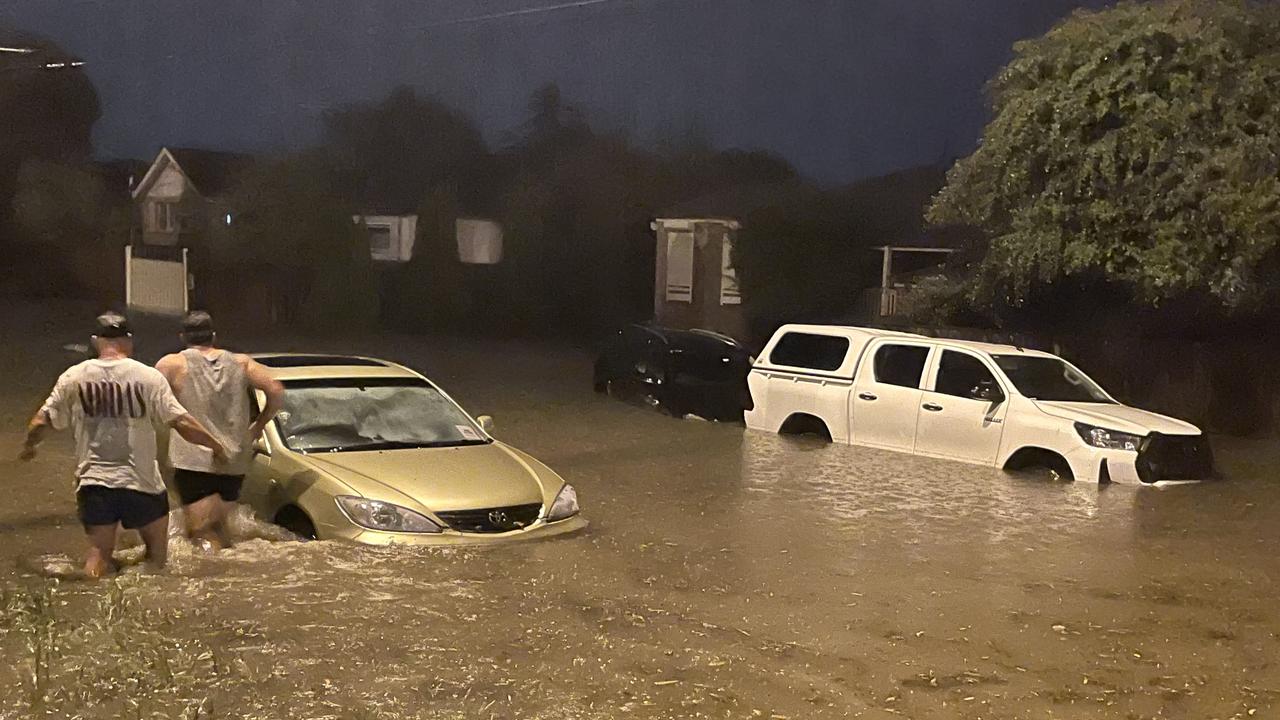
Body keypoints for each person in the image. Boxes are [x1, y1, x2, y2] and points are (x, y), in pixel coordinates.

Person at [20, 311, 227, 577]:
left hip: (95, 484)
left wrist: (29, 447)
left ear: (96, 341)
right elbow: (182, 423)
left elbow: (39, 423)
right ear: (128, 340)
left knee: (97, 559)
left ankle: (95, 607)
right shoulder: (147, 377)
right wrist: (216, 446)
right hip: (142, 484)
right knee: (156, 560)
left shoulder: (73, 377)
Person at [156, 311, 284, 550]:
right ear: (213, 335)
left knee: (200, 532)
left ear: (183, 336)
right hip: (234, 459)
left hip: (191, 460)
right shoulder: (242, 363)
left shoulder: (172, 364)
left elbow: (149, 396)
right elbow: (275, 391)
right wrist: (259, 425)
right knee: (220, 526)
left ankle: (210, 578)